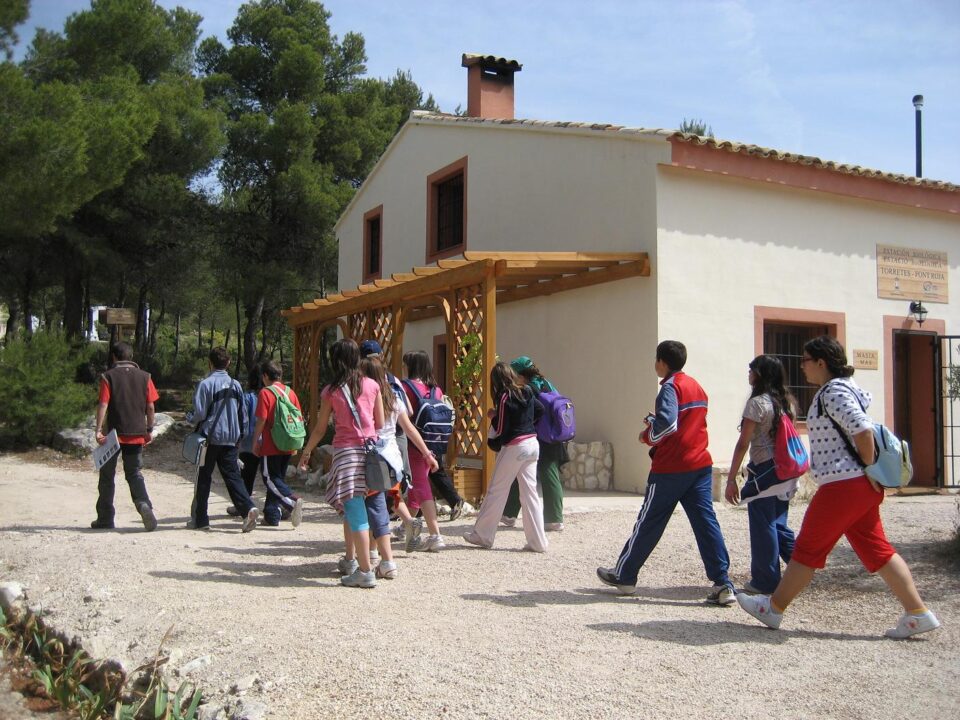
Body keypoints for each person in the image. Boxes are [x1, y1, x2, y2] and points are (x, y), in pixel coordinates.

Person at [737, 336, 941, 638]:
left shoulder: (833, 392)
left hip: (842, 483)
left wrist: (868, 466)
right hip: (855, 486)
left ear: (822, 362)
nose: (802, 366)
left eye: (806, 360)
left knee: (807, 548)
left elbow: (862, 429)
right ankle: (917, 612)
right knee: (878, 551)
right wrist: (868, 471)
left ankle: (774, 608)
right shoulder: (843, 390)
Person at [596, 340, 735, 605]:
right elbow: (691, 422)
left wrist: (647, 435)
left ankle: (625, 576)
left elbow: (668, 424)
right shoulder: (696, 386)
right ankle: (723, 582)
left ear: (662, 362)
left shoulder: (670, 388)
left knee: (649, 521)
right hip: (700, 465)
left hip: (671, 467)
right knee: (706, 522)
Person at [298, 338, 385, 587]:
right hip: (371, 454)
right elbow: (379, 423)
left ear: (336, 361)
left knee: (355, 510)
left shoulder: (331, 390)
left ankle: (365, 571)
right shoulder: (372, 385)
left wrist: (307, 451)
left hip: (346, 454)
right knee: (363, 507)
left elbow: (320, 428)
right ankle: (357, 560)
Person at [724, 355, 797, 593]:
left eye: (751, 370)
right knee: (777, 522)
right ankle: (801, 562)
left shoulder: (757, 404)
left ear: (760, 374)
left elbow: (743, 443)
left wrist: (731, 477)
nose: (748, 374)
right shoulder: (787, 402)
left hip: (764, 468)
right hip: (785, 468)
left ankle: (765, 580)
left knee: (763, 524)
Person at [463, 361, 548, 552]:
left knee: (496, 490)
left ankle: (482, 535)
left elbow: (500, 427)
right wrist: (525, 422)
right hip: (533, 444)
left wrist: (494, 418)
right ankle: (538, 542)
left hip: (514, 447)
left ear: (496, 380)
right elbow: (540, 409)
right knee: (530, 494)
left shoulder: (504, 395)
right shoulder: (525, 390)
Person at [187, 347, 258, 532]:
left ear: (210, 363)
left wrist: (189, 418)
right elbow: (242, 414)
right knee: (233, 477)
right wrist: (240, 437)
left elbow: (200, 413)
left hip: (210, 438)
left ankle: (201, 520)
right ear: (228, 363)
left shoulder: (205, 384)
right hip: (231, 439)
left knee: (204, 477)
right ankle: (248, 509)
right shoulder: (236, 385)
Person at [91, 342, 158, 532]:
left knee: (106, 476)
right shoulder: (145, 377)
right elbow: (151, 406)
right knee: (134, 474)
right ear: (132, 356)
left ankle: (105, 518)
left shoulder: (108, 377)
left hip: (112, 435)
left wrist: (98, 429)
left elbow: (103, 404)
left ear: (114, 357)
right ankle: (144, 505)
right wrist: (149, 428)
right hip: (136, 434)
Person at [500, 356, 566, 532]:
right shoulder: (547, 384)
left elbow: (534, 411)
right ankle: (510, 514)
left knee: (543, 474)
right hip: (552, 436)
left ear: (521, 375)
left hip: (538, 436)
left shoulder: (528, 389)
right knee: (537, 474)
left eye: (513, 375)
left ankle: (553, 519)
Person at [400, 350, 451, 551]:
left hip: (415, 443)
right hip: (434, 443)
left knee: (421, 486)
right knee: (417, 485)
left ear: (410, 366)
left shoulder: (406, 388)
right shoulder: (435, 390)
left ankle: (435, 535)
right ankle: (407, 526)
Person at [251, 360, 304, 528]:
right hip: (288, 442)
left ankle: (292, 501)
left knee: (269, 479)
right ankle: (272, 515)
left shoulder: (265, 393)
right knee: (277, 479)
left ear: (265, 376)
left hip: (271, 444)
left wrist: (255, 440)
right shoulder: (290, 392)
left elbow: (262, 419)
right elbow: (299, 419)